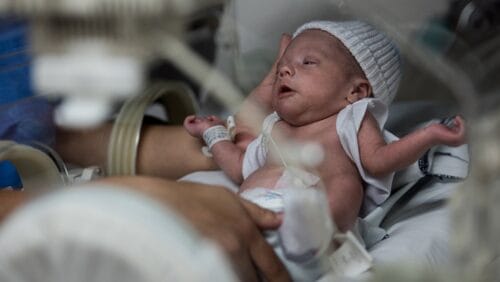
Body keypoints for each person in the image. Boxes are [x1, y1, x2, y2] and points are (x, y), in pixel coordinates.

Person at [183, 20, 467, 234]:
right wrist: (214, 133)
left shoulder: (351, 118)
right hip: (251, 215)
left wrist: (428, 135)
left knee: (341, 191)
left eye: (308, 62)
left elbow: (380, 160)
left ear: (355, 92)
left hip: (317, 219)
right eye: (283, 65)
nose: (284, 70)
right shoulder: (272, 127)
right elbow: (239, 166)